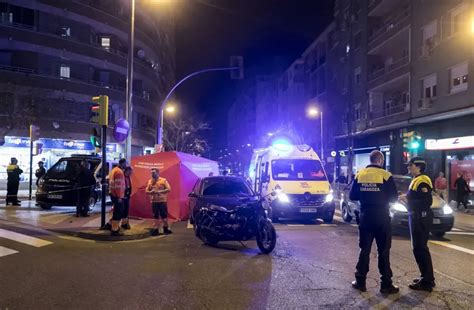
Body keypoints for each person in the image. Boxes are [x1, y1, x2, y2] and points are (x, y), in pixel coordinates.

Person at [349, 150, 399, 295]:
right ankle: (386, 285)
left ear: (370, 160)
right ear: (381, 161)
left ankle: (360, 282)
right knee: (383, 251)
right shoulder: (386, 175)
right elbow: (393, 198)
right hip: (382, 217)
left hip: (365, 216)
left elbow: (352, 195)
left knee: (364, 250)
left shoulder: (360, 174)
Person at [402, 157, 436, 292]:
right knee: (419, 248)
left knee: (420, 248)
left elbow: (426, 202)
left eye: (410, 165)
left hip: (420, 217)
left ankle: (427, 281)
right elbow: (417, 198)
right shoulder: (416, 180)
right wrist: (406, 198)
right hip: (416, 216)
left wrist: (407, 200)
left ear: (418, 167)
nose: (408, 167)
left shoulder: (422, 181)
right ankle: (426, 277)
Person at [146, 168, 172, 236]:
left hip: (162, 201)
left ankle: (165, 228)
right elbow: (146, 191)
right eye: (151, 173)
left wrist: (160, 191)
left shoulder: (163, 180)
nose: (152, 174)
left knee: (164, 215)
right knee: (155, 216)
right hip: (154, 201)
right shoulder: (150, 181)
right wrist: (150, 192)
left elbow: (169, 189)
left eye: (154, 173)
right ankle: (156, 229)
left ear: (158, 173)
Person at [108, 158, 127, 236]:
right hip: (117, 195)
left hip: (113, 194)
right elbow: (118, 185)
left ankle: (110, 225)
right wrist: (119, 196)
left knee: (116, 211)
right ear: (122, 163)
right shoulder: (119, 172)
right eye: (125, 163)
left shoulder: (114, 170)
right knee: (118, 212)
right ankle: (115, 229)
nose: (126, 165)